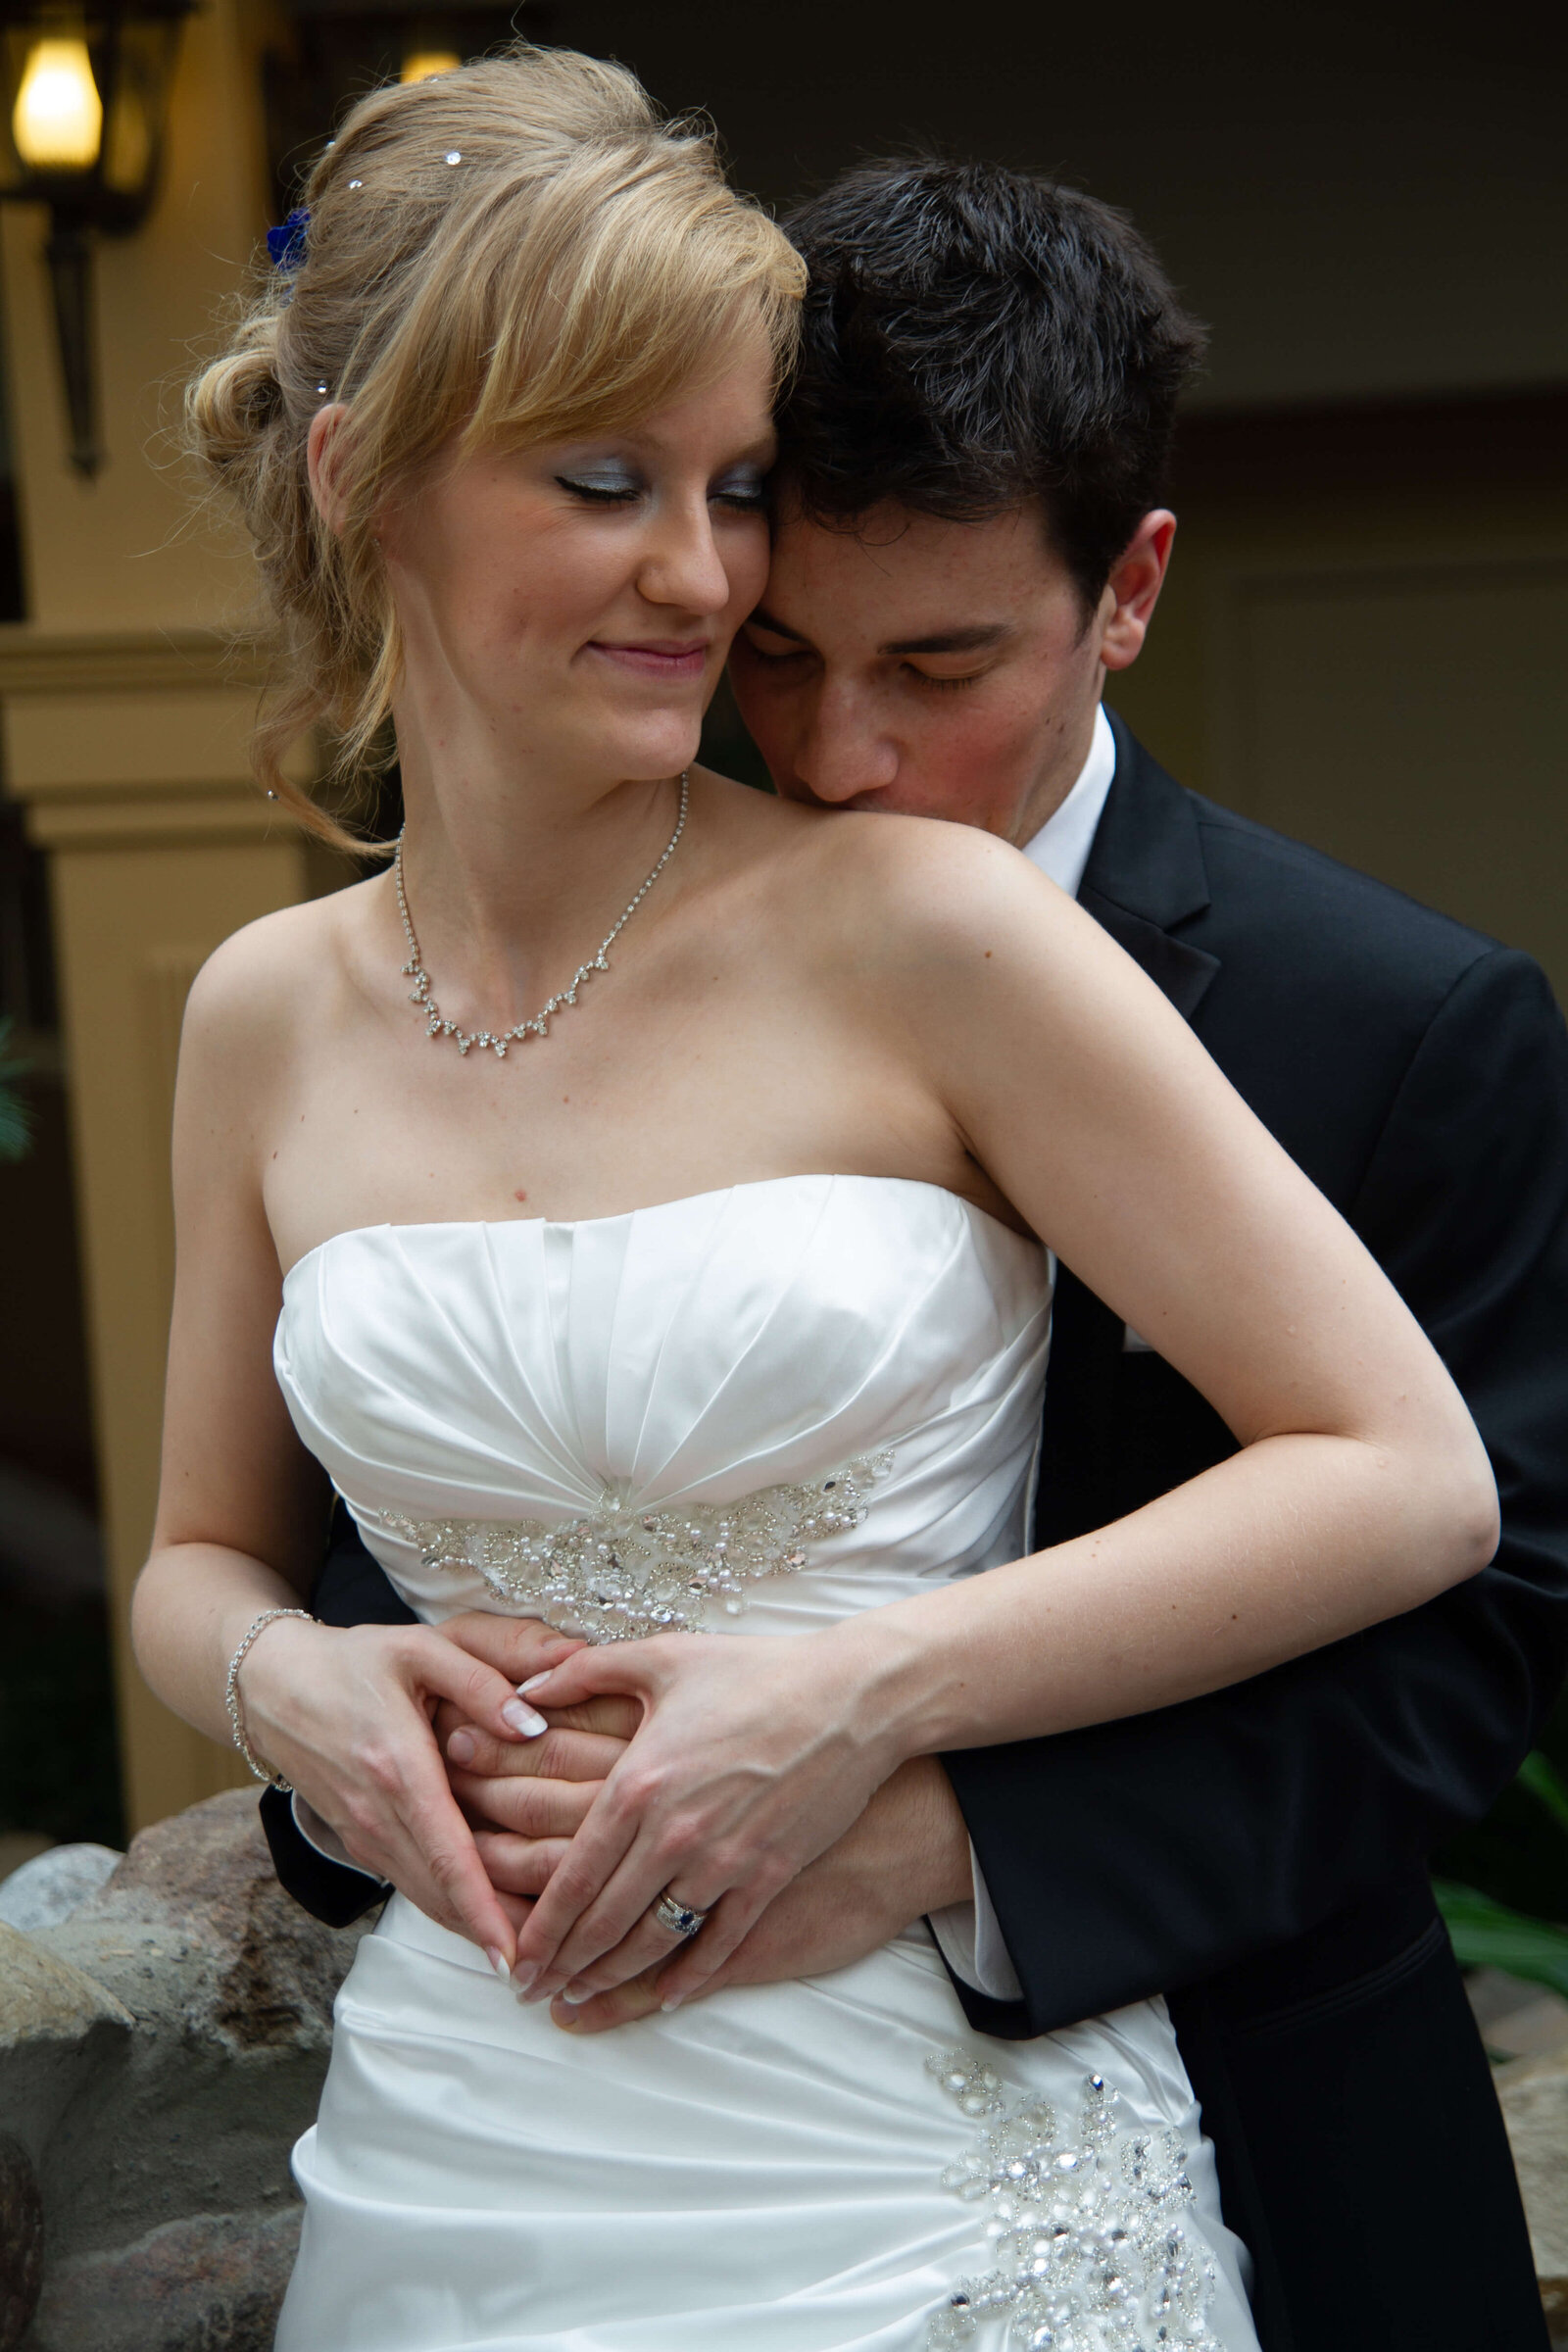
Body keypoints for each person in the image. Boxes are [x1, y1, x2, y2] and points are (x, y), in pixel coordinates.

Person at [133, 50, 1501, 2352]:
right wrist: (297, 1694)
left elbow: (1409, 1477)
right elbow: (197, 1560)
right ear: (364, 479)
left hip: (920, 2145)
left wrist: (857, 1700)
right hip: (469, 2126)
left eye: (736, 488)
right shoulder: (261, 1008)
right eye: (606, 484)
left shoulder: (928, 926)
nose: (702, 576)